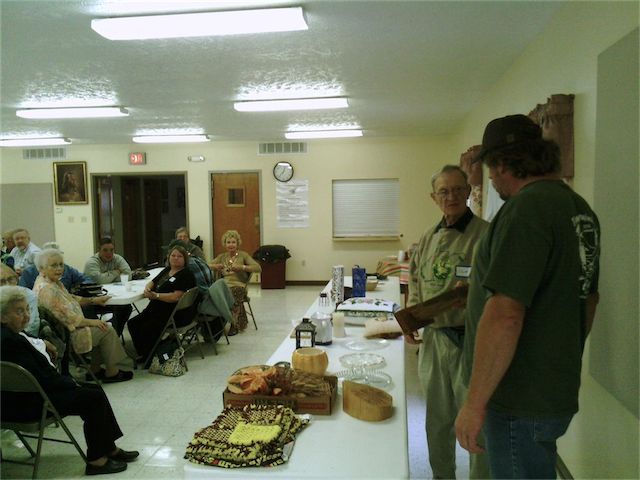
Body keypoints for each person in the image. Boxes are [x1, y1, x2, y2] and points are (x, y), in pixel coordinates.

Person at [455, 114, 601, 479]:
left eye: (490, 167)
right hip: (552, 390)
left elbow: (506, 312)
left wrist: (474, 404)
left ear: (505, 162)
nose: (489, 177)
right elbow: (590, 300)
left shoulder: (526, 209)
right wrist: (555, 356)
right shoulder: (579, 209)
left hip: (516, 398)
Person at [405, 165, 489, 479]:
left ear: (469, 192)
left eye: (457, 189)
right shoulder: (428, 238)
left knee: (475, 420)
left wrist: (475, 292)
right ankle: (443, 474)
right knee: (437, 419)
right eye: (444, 191)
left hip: (472, 342)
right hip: (434, 342)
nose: (451, 196)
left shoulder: (486, 234)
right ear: (434, 197)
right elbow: (415, 281)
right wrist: (412, 317)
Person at [0, 286, 139, 475]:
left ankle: (108, 448)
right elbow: (42, 378)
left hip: (17, 399)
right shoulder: (10, 342)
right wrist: (70, 382)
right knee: (93, 398)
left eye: (27, 309)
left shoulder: (9, 335)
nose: (26, 315)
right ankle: (97, 460)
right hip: (28, 403)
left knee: (94, 391)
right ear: (3, 317)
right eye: (19, 311)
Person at [33, 248, 133, 383]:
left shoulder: (49, 282)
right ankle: (112, 372)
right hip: (65, 336)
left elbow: (71, 298)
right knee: (106, 329)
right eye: (54, 265)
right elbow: (68, 318)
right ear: (42, 268)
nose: (59, 269)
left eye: (61, 265)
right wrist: (92, 322)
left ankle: (95, 370)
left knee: (100, 326)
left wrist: (93, 300)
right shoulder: (47, 290)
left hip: (68, 328)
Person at [127, 245, 196, 363]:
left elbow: (176, 297)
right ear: (168, 257)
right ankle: (145, 353)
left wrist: (156, 296)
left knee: (147, 327)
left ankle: (150, 356)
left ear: (185, 259)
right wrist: (147, 289)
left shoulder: (186, 274)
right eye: (173, 255)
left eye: (179, 256)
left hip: (173, 313)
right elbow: (152, 282)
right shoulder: (167, 270)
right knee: (133, 323)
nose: (175, 258)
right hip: (156, 308)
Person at [1, 264, 64, 365]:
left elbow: (30, 327)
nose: (8, 284)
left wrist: (38, 342)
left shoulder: (27, 296)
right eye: (2, 281)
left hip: (22, 343)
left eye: (11, 279)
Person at [209, 230, 261, 336]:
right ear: (225, 244)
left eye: (233, 242)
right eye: (228, 242)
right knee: (212, 294)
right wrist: (215, 266)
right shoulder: (222, 257)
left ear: (237, 243)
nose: (231, 245)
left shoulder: (243, 255)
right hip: (224, 285)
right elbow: (206, 265)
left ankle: (234, 324)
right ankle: (216, 324)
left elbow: (258, 268)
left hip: (239, 285)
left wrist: (242, 267)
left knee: (235, 292)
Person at [83, 238, 134, 336]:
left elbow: (128, 275)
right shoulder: (92, 262)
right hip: (95, 299)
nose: (109, 253)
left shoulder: (117, 258)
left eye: (111, 250)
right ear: (99, 250)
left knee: (126, 307)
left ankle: (115, 335)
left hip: (113, 296)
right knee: (88, 310)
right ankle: (104, 335)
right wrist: (116, 272)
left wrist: (107, 276)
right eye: (105, 250)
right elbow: (99, 280)